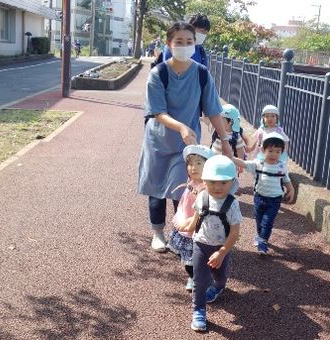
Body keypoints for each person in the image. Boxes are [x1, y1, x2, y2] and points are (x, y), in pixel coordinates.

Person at [138, 21, 233, 253]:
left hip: (187, 145)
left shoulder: (201, 74)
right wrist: (181, 126)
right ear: (169, 43)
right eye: (179, 41)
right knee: (157, 189)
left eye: (189, 41)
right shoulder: (158, 73)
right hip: (158, 141)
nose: (184, 45)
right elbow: (157, 111)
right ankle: (157, 232)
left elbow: (213, 110)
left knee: (183, 190)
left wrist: (226, 143)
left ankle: (180, 231)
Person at [177, 155, 241, 332]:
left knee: (219, 276)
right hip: (200, 245)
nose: (218, 187)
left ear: (232, 182)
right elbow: (197, 217)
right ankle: (198, 310)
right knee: (199, 281)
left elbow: (235, 232)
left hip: (221, 248)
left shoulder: (232, 204)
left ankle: (219, 286)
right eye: (212, 182)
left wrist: (222, 252)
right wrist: (186, 226)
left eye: (223, 182)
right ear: (204, 181)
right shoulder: (203, 197)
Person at [232, 132, 294, 255]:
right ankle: (261, 235)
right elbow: (244, 163)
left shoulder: (282, 167)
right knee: (259, 220)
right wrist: (230, 157)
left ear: (282, 152)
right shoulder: (258, 164)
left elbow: (286, 180)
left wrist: (291, 190)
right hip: (259, 197)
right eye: (270, 151)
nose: (274, 154)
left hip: (275, 199)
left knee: (267, 221)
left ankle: (263, 243)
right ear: (262, 150)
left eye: (278, 151)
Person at [167, 145, 213, 292]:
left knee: (195, 258)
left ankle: (198, 278)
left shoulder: (207, 188)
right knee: (189, 258)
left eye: (199, 163)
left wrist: (190, 223)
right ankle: (195, 276)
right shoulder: (192, 182)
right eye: (190, 164)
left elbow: (203, 211)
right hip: (185, 223)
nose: (193, 168)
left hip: (196, 227)